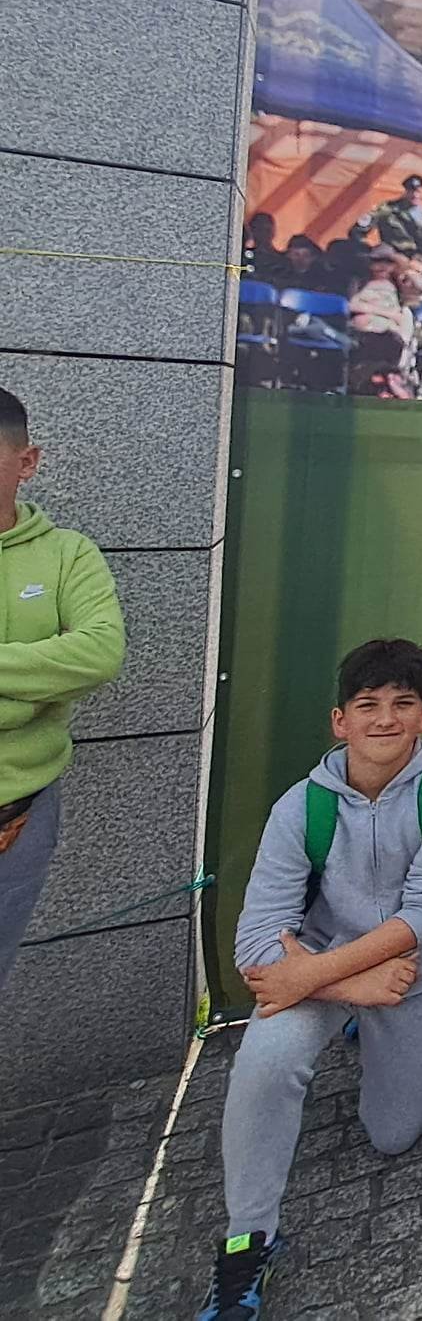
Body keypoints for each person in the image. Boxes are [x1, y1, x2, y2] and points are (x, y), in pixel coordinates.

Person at [201, 639, 422, 1320]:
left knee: (394, 1134)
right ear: (339, 721)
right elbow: (257, 944)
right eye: (368, 704)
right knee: (264, 1060)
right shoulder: (300, 807)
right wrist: (347, 984)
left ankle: (385, 1035)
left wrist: (323, 976)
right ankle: (248, 1240)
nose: (385, 719)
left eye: (403, 704)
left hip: (410, 969)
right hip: (329, 969)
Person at [0, 388, 124, 997]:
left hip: (19, 820)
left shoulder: (68, 555)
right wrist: (33, 691)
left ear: (27, 461)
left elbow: (99, 653)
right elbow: (68, 663)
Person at [349, 247, 422, 397]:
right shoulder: (360, 282)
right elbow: (352, 305)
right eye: (376, 261)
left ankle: (389, 383)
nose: (381, 266)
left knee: (391, 343)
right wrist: (385, 313)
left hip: (389, 334)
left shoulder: (398, 285)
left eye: (387, 262)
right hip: (364, 332)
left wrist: (407, 271)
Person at [375, 174, 422, 263]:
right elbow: (363, 226)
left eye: (418, 192)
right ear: (405, 191)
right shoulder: (387, 210)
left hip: (421, 259)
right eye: (411, 191)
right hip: (393, 256)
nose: (415, 195)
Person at [322, 213, 377, 295]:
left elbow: (327, 265)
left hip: (333, 286)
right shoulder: (368, 251)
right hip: (343, 289)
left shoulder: (336, 245)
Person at [242, 213, 287, 283]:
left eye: (267, 229)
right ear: (252, 231)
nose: (264, 233)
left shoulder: (283, 260)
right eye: (260, 229)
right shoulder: (245, 257)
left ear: (273, 232)